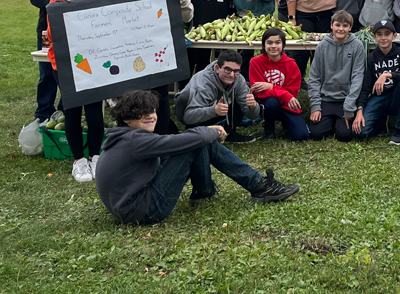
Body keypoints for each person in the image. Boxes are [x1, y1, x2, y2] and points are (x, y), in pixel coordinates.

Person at [96, 89, 299, 225]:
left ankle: (206, 193)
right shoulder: (135, 140)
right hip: (143, 211)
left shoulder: (126, 136)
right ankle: (258, 186)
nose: (151, 116)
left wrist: (204, 132)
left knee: (195, 140)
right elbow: (181, 142)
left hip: (129, 206)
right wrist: (212, 131)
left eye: (152, 111)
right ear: (126, 118)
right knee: (195, 142)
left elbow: (172, 143)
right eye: (142, 113)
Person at [118, 0, 195, 135]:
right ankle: (134, 137)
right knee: (133, 96)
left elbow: (187, 16)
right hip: (132, 50)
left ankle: (159, 141)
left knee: (158, 97)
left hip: (161, 50)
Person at [46, 0, 109, 182]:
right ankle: (78, 161)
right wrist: (60, 12)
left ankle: (95, 157)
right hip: (65, 65)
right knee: (72, 112)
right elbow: (52, 36)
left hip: (95, 64)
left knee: (94, 113)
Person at [30, 0, 80, 123]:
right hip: (47, 30)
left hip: (76, 29)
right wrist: (53, 5)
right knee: (47, 73)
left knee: (70, 71)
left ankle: (65, 110)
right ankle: (43, 112)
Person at [177, 50, 261, 144]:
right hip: (188, 112)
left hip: (216, 109)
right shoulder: (204, 83)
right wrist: (214, 110)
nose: (232, 75)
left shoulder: (239, 80)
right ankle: (193, 131)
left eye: (236, 71)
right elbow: (188, 117)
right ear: (217, 68)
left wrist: (253, 107)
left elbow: (252, 116)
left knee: (244, 95)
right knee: (194, 121)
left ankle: (229, 134)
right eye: (227, 69)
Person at [352, 20, 400, 145]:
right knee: (360, 133)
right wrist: (359, 110)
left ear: (394, 36)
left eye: (387, 33)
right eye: (379, 34)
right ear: (374, 37)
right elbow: (365, 87)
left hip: (397, 96)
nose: (383, 37)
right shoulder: (371, 58)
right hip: (379, 97)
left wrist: (386, 75)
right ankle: (381, 121)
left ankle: (399, 129)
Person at [308, 10, 366, 142]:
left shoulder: (357, 46)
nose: (341, 29)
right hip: (326, 98)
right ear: (331, 25)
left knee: (345, 135)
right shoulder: (322, 46)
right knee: (316, 134)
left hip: (345, 99)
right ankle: (329, 121)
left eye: (345, 26)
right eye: (338, 25)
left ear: (350, 28)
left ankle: (337, 121)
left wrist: (350, 107)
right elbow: (314, 78)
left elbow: (357, 78)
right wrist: (316, 107)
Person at [249, 28, 310, 142]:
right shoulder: (255, 62)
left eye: (277, 42)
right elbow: (260, 92)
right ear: (263, 44)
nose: (273, 46)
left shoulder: (291, 65)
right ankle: (269, 128)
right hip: (267, 105)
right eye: (269, 42)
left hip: (287, 105)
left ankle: (286, 123)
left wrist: (271, 87)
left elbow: (292, 93)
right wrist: (284, 93)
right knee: (272, 102)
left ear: (283, 45)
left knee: (302, 136)